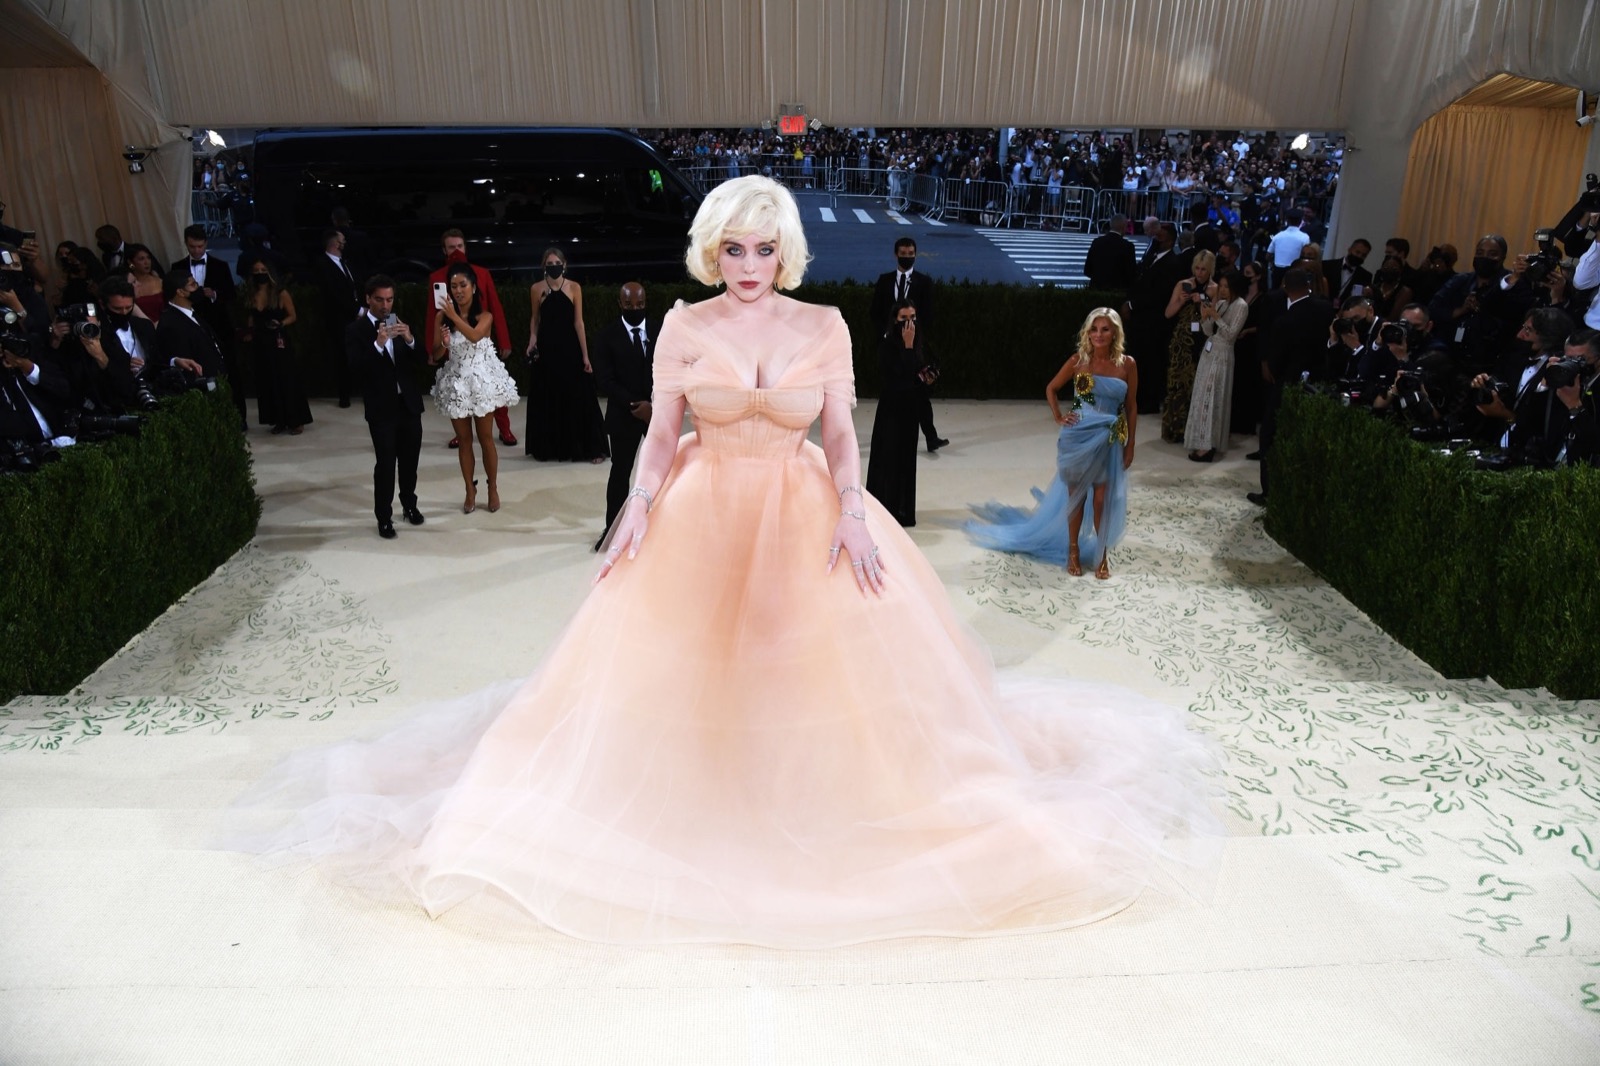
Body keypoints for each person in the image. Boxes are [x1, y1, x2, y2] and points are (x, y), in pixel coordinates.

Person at [227, 177, 1217, 949]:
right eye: (733, 247)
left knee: (817, 668)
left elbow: (840, 435)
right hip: (699, 510)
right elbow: (661, 436)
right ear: (713, 250)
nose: (748, 263)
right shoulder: (685, 325)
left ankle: (807, 802)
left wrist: (854, 512)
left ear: (786, 252)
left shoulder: (823, 325)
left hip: (802, 507)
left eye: (765, 247)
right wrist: (636, 507)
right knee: (682, 665)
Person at [967, 307, 1138, 580]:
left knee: (1102, 501)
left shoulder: (1127, 364)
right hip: (1078, 438)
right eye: (1094, 329)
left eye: (1105, 329)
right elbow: (1051, 388)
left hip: (1108, 441)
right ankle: (1073, 551)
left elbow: (1131, 406)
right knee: (1077, 497)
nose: (1098, 334)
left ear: (1115, 332)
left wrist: (1130, 445)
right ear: (1087, 333)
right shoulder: (1078, 361)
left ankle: (1102, 553)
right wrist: (1059, 416)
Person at [431, 263, 520, 514]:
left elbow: (474, 336)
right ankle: (470, 490)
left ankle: (492, 488)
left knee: (486, 438)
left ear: (473, 287)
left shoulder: (485, 316)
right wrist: (444, 343)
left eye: (463, 285)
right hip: (457, 382)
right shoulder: (441, 317)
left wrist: (453, 316)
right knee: (464, 441)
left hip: (481, 381)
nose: (458, 291)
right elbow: (436, 354)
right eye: (453, 286)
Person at [347, 275, 425, 539]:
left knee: (410, 462)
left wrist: (410, 338)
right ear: (368, 299)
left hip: (409, 405)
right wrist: (378, 345)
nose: (385, 305)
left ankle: (409, 505)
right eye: (379, 299)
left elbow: (421, 360)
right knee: (386, 465)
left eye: (389, 299)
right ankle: (384, 517)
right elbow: (355, 369)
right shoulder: (356, 330)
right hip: (381, 410)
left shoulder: (397, 322)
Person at [423, 230, 517, 449]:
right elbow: (433, 315)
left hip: (481, 341)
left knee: (492, 390)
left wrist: (504, 341)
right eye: (451, 247)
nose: (456, 251)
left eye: (460, 246)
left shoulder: (481, 273)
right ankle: (461, 433)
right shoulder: (437, 278)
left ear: (465, 247)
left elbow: (495, 307)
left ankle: (504, 428)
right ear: (444, 250)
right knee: (458, 390)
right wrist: (432, 348)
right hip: (454, 342)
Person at [1248, 268, 1333, 506]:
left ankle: (1269, 492)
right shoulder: (1326, 309)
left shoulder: (1285, 321)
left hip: (1286, 384)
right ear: (1309, 285)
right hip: (1317, 384)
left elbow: (1276, 361)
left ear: (1285, 287)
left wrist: (1273, 371)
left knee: (1270, 435)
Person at [523, 247, 608, 463]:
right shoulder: (536, 289)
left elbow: (579, 323)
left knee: (580, 396)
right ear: (544, 267)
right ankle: (551, 447)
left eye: (557, 264)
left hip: (570, 349)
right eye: (549, 264)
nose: (554, 267)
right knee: (548, 396)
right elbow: (535, 319)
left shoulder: (574, 287)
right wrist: (532, 340)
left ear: (564, 265)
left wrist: (585, 356)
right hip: (547, 350)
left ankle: (589, 448)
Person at [588, 280, 657, 545]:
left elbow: (670, 370)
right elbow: (605, 380)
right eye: (629, 304)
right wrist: (636, 406)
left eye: (640, 304)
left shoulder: (660, 331)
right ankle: (613, 531)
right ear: (620, 303)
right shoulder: (607, 336)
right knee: (620, 474)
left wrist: (653, 406)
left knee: (661, 474)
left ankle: (659, 530)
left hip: (656, 414)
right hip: (623, 416)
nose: (635, 309)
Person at [869, 237, 946, 451]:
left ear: (915, 255)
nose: (907, 257)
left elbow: (928, 315)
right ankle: (890, 436)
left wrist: (916, 337)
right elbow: (875, 312)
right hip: (890, 347)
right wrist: (885, 334)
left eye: (911, 253)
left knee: (920, 392)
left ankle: (931, 437)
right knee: (891, 392)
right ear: (896, 254)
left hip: (914, 346)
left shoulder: (924, 282)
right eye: (903, 253)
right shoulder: (885, 280)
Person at [865, 299, 927, 526]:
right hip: (891, 411)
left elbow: (918, 372)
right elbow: (898, 376)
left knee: (906, 459)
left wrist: (927, 375)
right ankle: (885, 509)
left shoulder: (918, 341)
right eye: (904, 319)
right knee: (888, 458)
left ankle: (903, 511)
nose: (909, 324)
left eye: (913, 318)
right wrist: (908, 348)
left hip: (910, 411)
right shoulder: (887, 345)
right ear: (895, 320)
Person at [237, 258, 311, 435]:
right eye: (256, 270)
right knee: (267, 380)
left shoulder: (280, 293)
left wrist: (281, 324)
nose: (260, 273)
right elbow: (252, 316)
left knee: (286, 378)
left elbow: (293, 315)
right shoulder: (251, 293)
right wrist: (248, 332)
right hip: (260, 342)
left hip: (278, 340)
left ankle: (295, 420)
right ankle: (278, 420)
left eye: (263, 270)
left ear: (269, 272)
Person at [1184, 269, 1247, 461]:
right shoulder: (1220, 304)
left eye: (1227, 286)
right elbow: (1208, 331)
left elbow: (1230, 335)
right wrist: (1205, 316)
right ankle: (1202, 441)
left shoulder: (1241, 306)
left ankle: (1208, 446)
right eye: (1222, 286)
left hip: (1223, 356)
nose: (1223, 290)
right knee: (1202, 396)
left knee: (1213, 397)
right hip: (1209, 353)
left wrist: (1216, 317)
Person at [1161, 249, 1217, 442]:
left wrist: (1203, 300)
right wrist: (1181, 301)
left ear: (1210, 270)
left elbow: (1215, 317)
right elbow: (1168, 313)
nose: (1199, 273)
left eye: (1203, 269)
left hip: (1202, 340)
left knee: (1197, 384)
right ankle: (1173, 429)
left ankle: (1193, 430)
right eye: (1197, 268)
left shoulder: (1214, 289)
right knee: (1177, 383)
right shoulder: (1182, 285)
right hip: (1181, 341)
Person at [309, 228, 362, 408]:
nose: (345, 243)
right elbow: (333, 295)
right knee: (342, 356)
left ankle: (361, 389)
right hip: (339, 319)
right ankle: (344, 394)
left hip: (354, 316)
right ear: (335, 243)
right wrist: (357, 310)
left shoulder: (346, 263)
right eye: (342, 240)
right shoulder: (323, 265)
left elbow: (354, 287)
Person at [1083, 212, 1137, 295]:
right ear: (1124, 227)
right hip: (1118, 292)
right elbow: (1131, 274)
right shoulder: (1128, 246)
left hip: (1096, 290)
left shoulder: (1097, 242)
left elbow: (1087, 270)